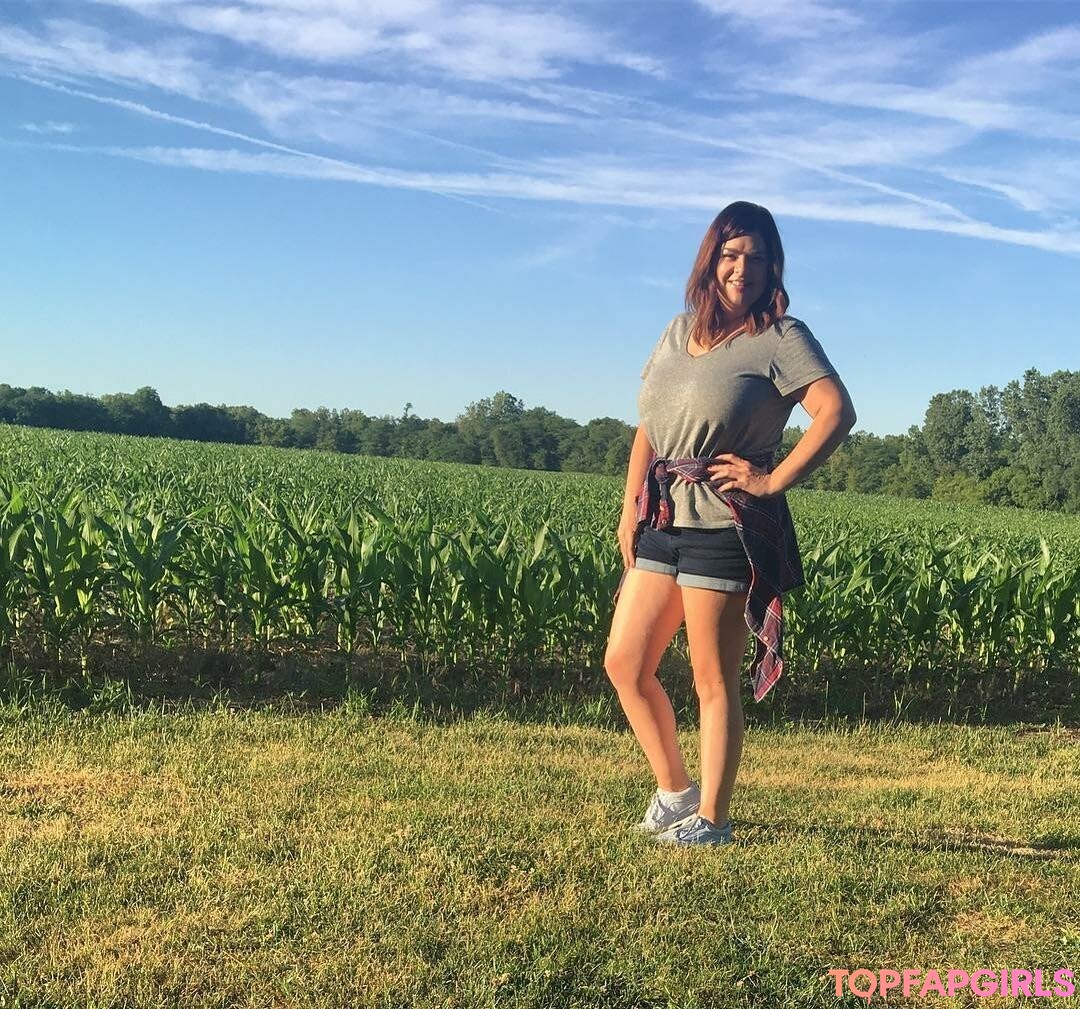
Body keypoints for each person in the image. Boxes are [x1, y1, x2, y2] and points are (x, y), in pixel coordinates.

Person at [604, 201, 856, 847]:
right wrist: (631, 506)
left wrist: (771, 480)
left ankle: (713, 819)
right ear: (711, 259)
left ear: (774, 269)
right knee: (626, 662)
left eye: (758, 258)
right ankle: (675, 792)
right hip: (662, 516)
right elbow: (650, 427)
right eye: (732, 254)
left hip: (725, 525)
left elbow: (835, 411)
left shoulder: (781, 337)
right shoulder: (677, 331)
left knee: (712, 680)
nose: (743, 268)